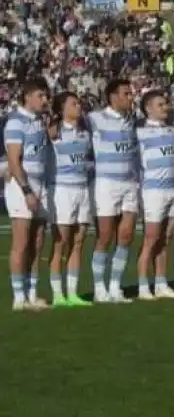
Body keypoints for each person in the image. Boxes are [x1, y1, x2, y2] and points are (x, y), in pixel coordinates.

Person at [89, 78, 139, 304]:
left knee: (126, 236)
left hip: (129, 183)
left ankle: (115, 286)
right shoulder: (96, 119)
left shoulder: (132, 120)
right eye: (126, 94)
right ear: (113, 96)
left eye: (131, 94)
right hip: (106, 183)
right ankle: (100, 287)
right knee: (105, 236)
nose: (131, 97)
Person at [5, 78, 51, 311]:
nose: (45, 100)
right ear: (28, 96)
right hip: (22, 185)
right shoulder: (15, 122)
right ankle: (18, 296)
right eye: (41, 96)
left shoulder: (40, 121)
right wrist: (26, 191)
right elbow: (14, 160)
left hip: (41, 183)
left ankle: (32, 293)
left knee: (38, 241)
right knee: (21, 242)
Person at [135, 90, 174, 301]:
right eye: (160, 104)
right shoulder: (141, 132)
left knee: (166, 239)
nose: (165, 107)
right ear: (148, 109)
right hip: (153, 191)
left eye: (166, 104)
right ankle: (143, 286)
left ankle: (161, 283)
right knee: (151, 239)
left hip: (173, 189)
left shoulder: (172, 130)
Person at [47, 91, 93, 307]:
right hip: (62, 191)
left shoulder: (85, 132)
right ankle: (58, 294)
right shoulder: (53, 133)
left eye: (79, 102)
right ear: (62, 109)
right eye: (73, 103)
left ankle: (73, 293)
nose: (79, 105)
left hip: (82, 190)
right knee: (60, 242)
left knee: (78, 241)